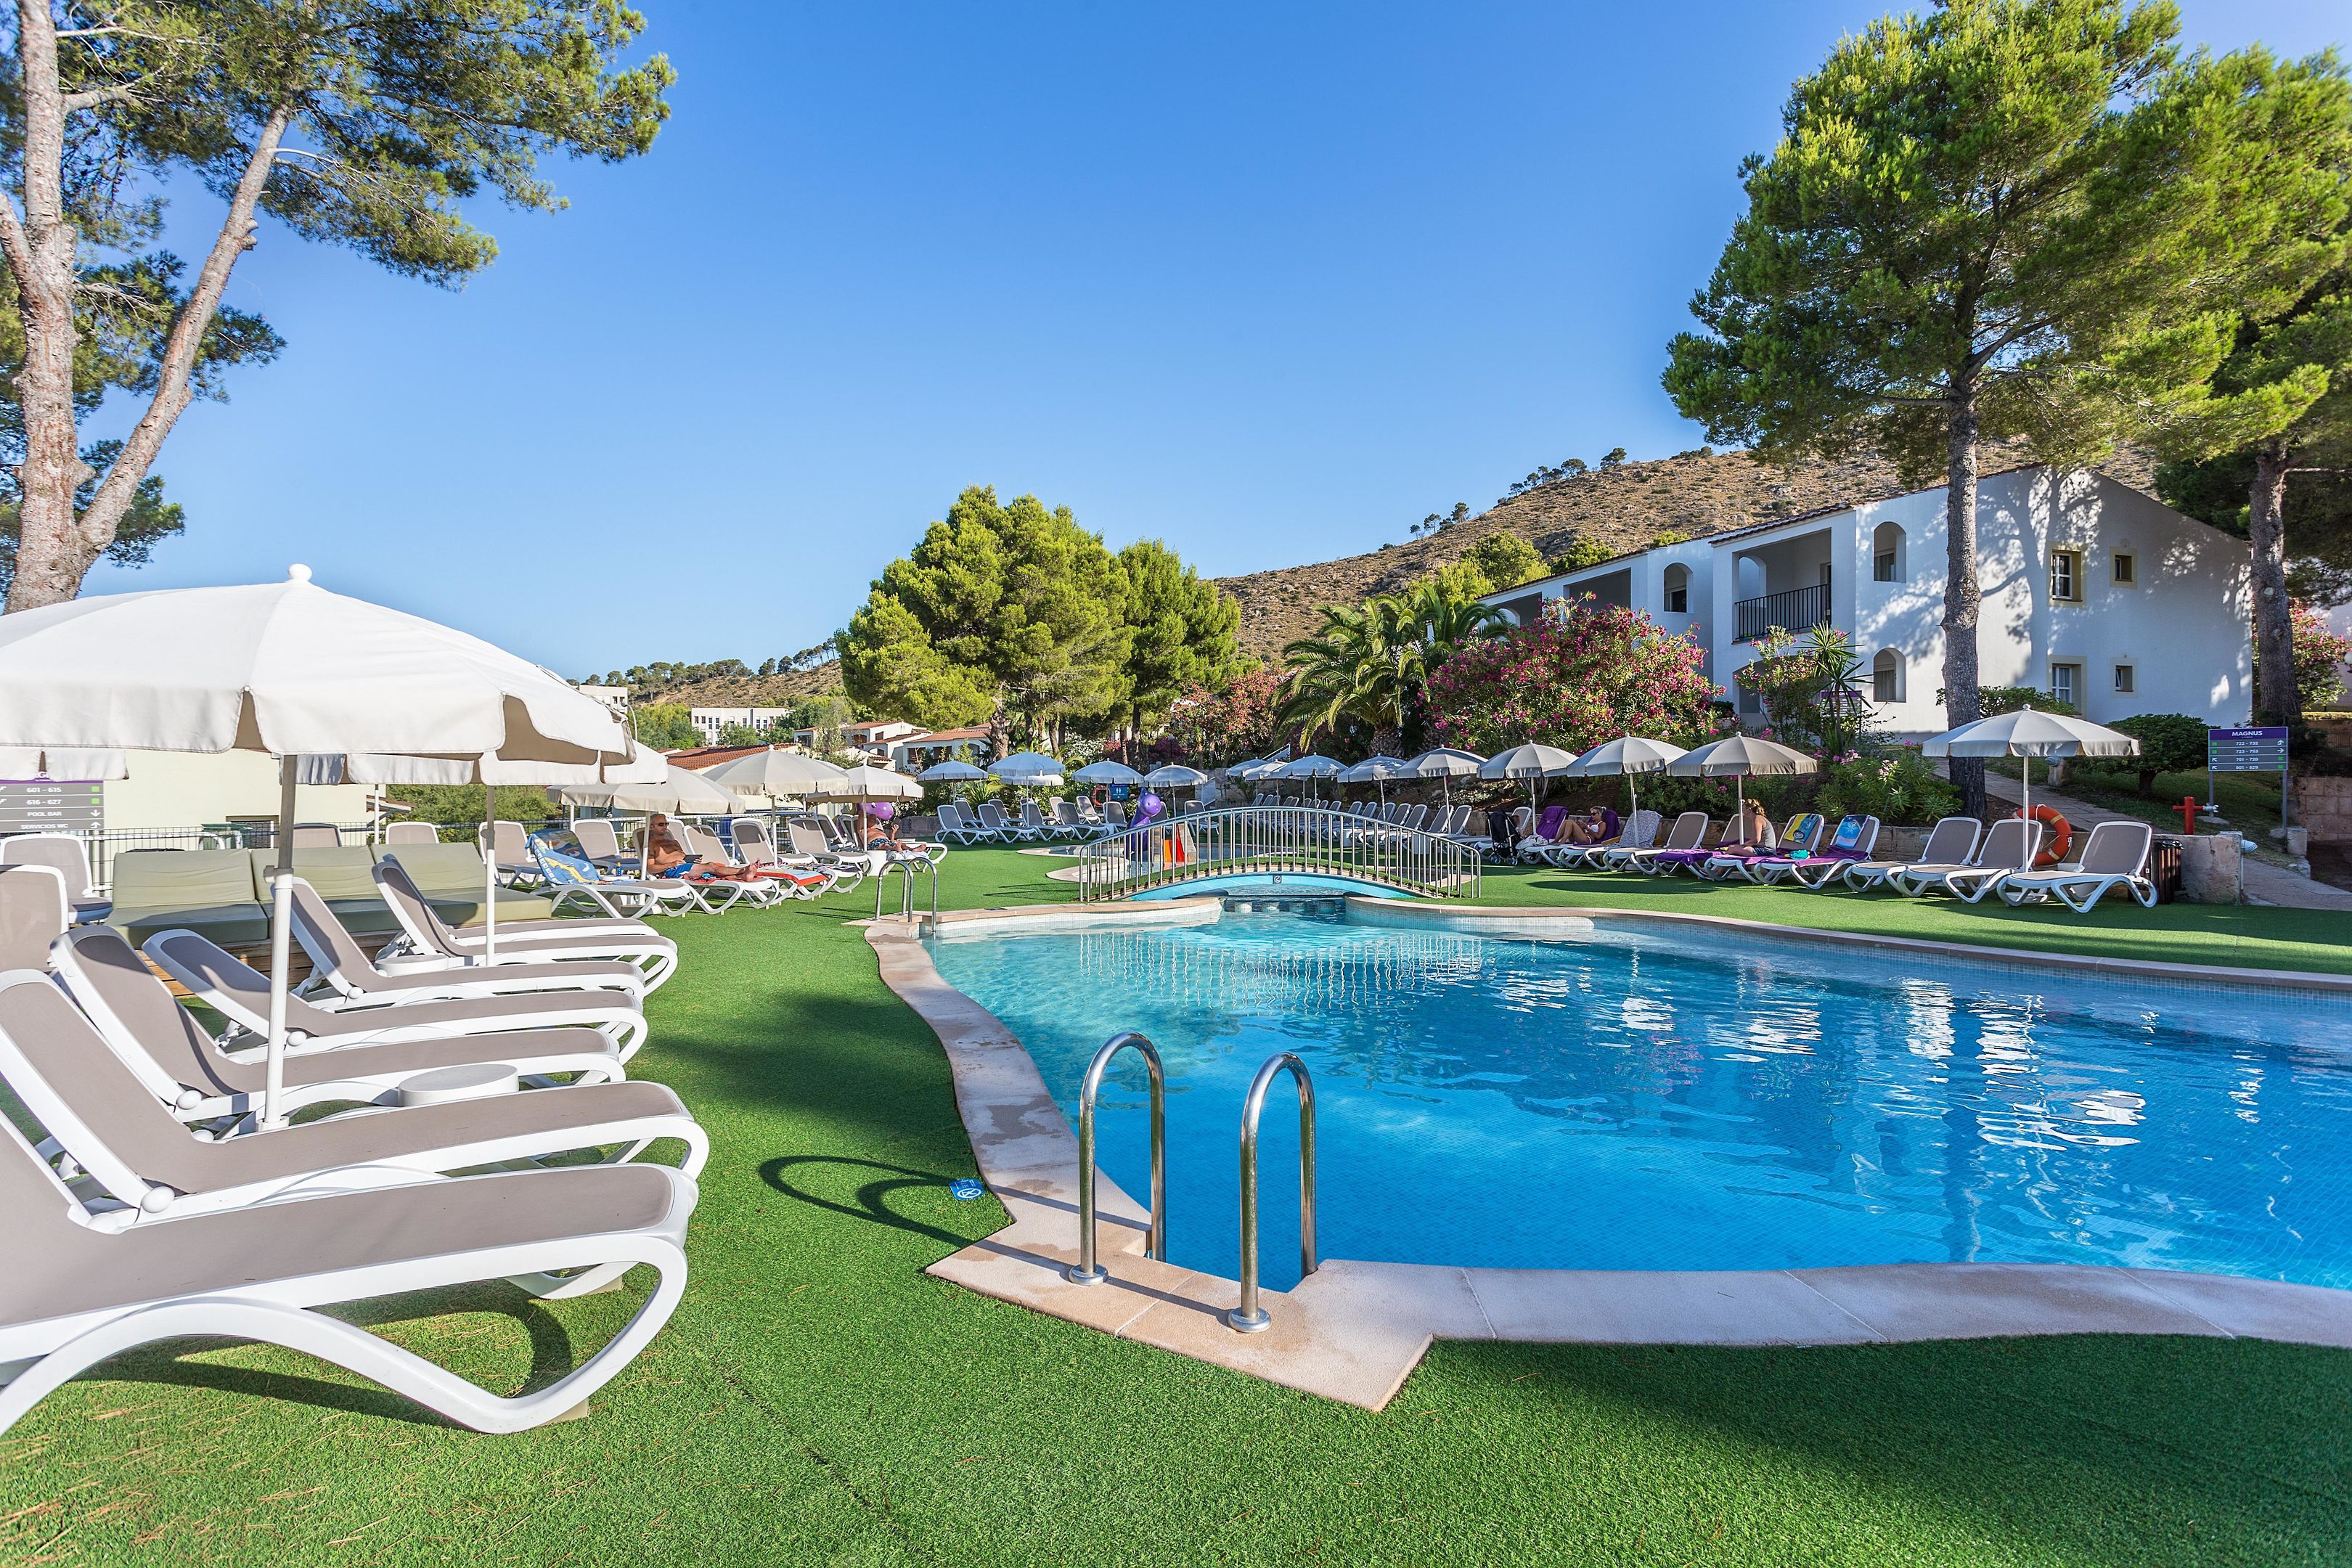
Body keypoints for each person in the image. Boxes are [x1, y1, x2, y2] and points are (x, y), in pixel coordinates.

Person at [642, 814, 764, 883]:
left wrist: (692, 859)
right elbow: (650, 868)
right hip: (674, 870)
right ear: (651, 827)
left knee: (713, 870)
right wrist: (671, 864)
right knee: (711, 866)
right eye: (661, 824)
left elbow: (683, 856)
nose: (665, 827)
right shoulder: (650, 845)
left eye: (666, 824)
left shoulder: (674, 842)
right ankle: (743, 869)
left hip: (687, 866)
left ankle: (743, 876)